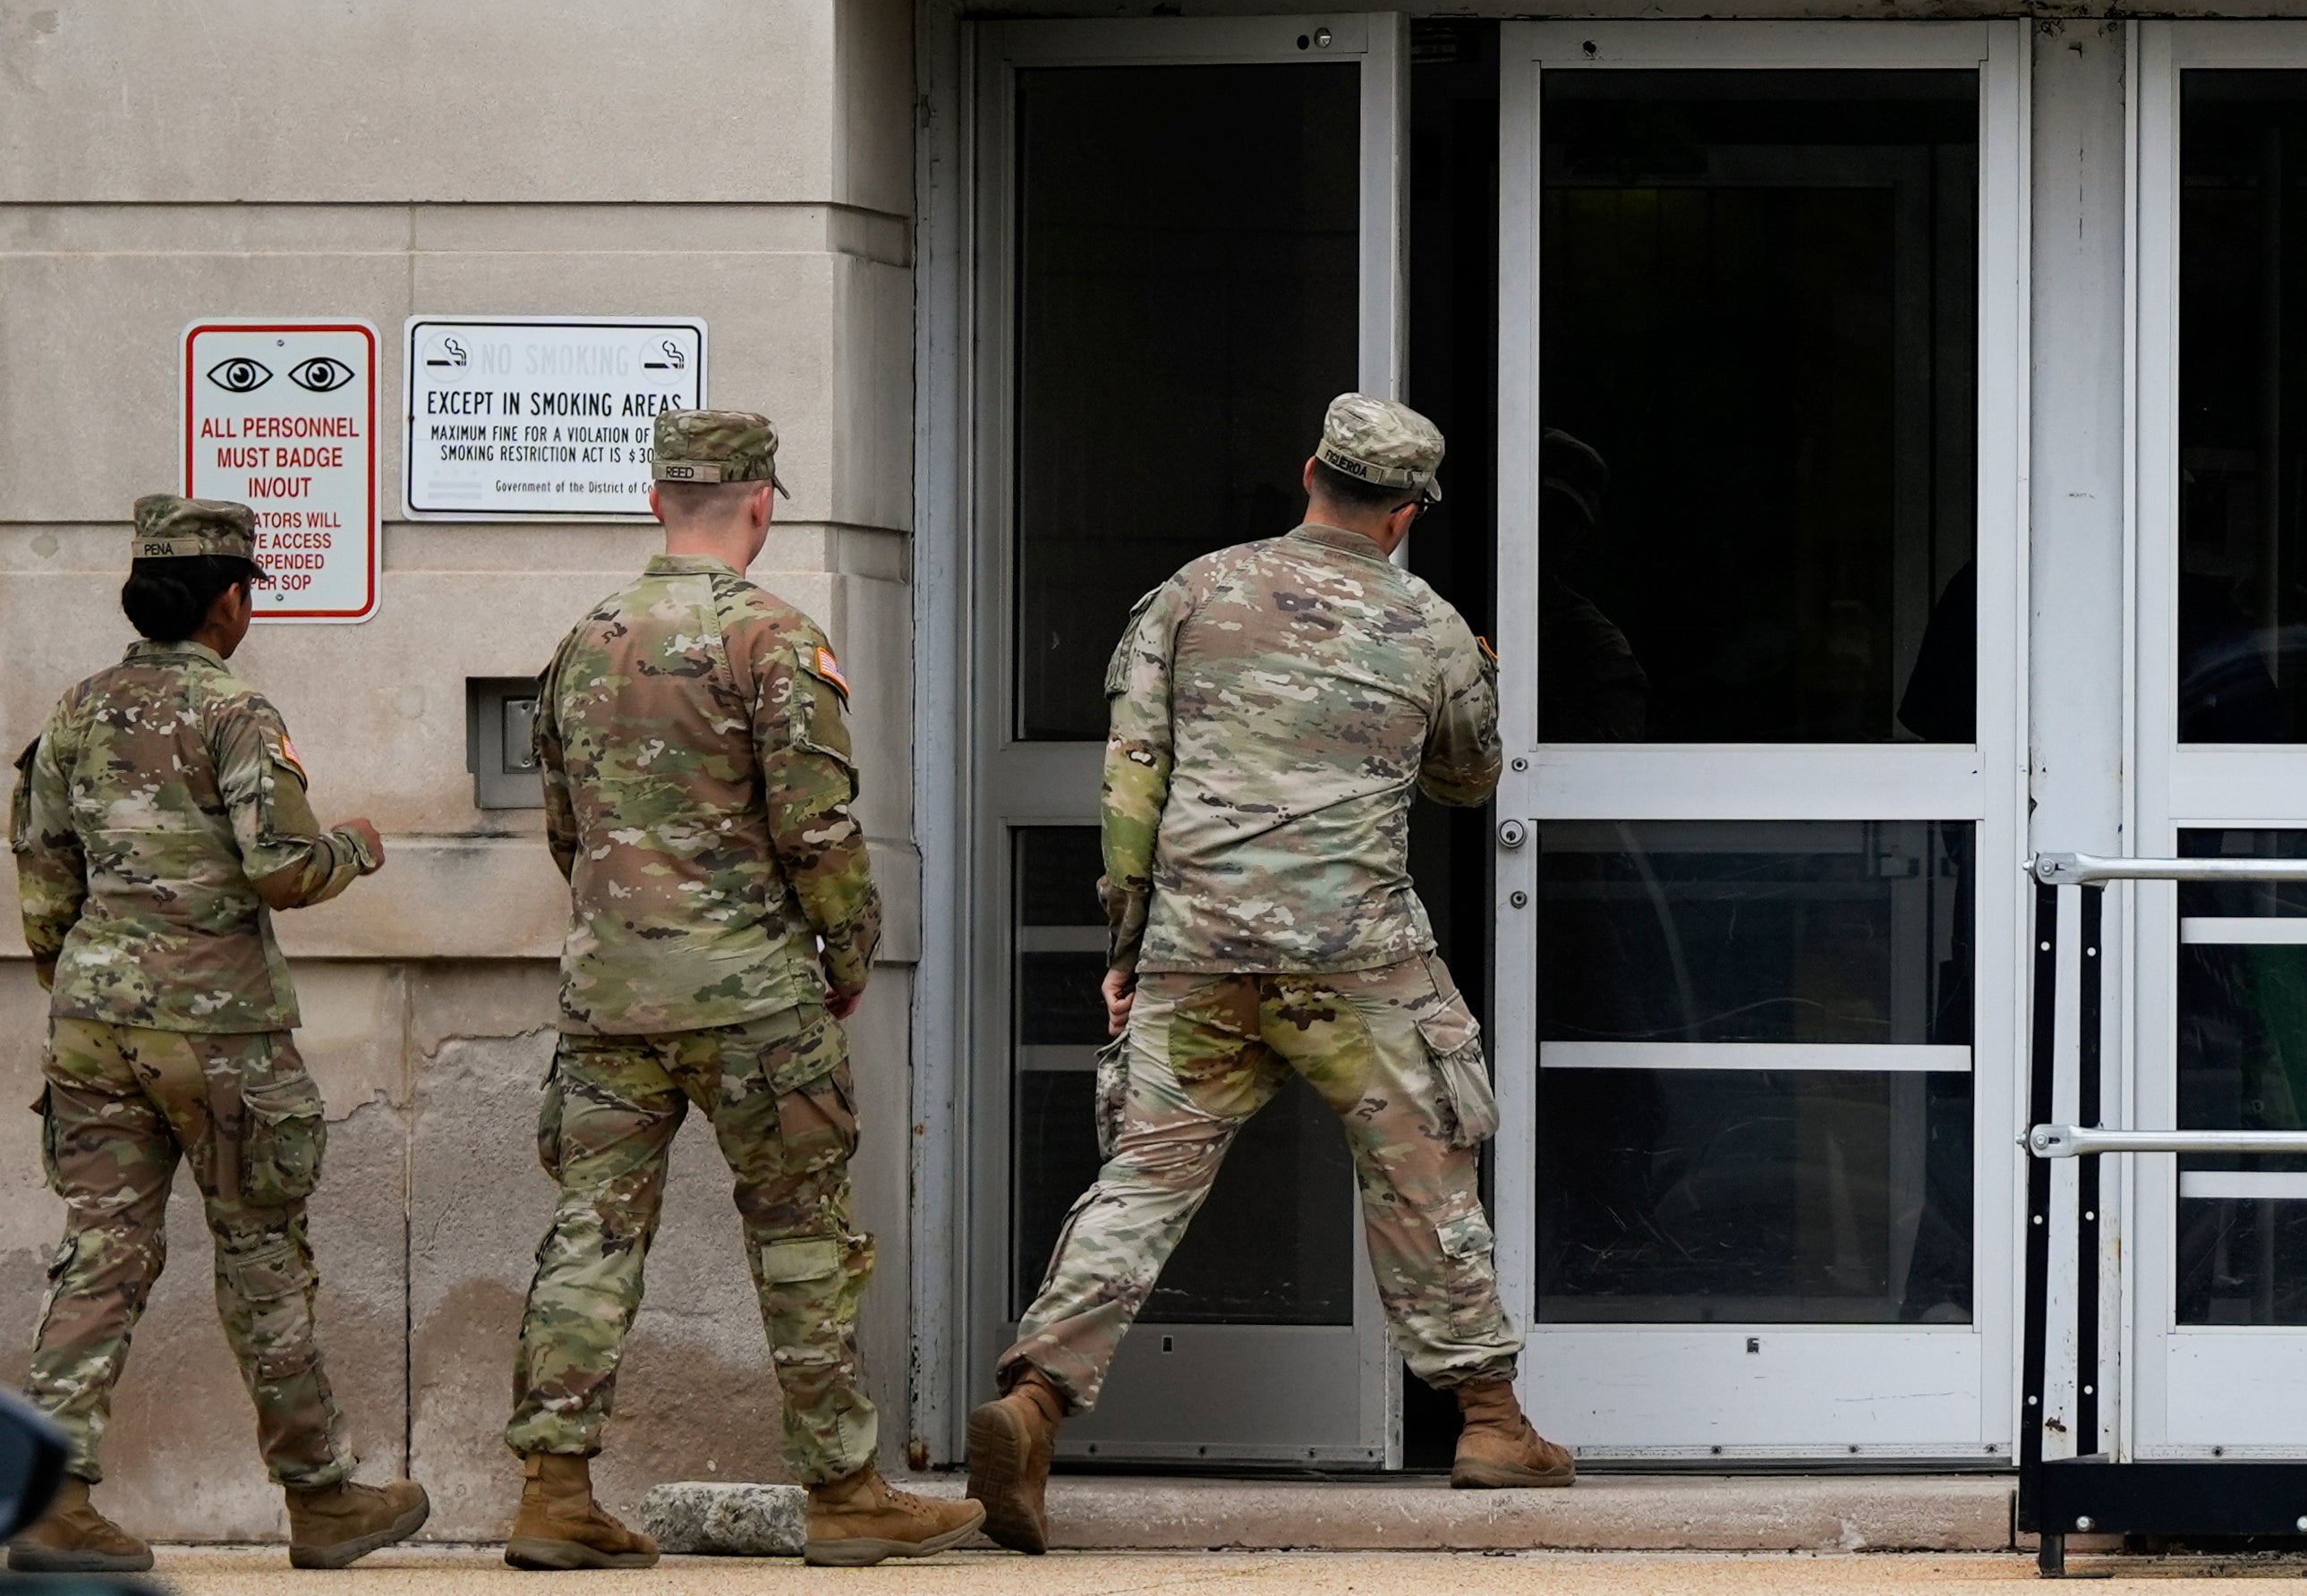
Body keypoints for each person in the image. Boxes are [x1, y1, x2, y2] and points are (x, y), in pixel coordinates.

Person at [966, 392, 1572, 1556]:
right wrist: (1471, 681)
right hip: (1358, 955)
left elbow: (1131, 780)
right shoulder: (1428, 623)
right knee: (1424, 1170)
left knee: (1145, 1179)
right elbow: (1467, 778)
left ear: (1309, 475)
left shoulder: (1189, 597)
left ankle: (1035, 1403)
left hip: (1201, 951)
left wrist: (1127, 949)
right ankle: (1491, 1421)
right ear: (1402, 516)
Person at [501, 409, 982, 1570]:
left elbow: (565, 831)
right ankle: (844, 1491)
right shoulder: (772, 638)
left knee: (591, 1236)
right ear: (763, 504)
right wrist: (849, 958)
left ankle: (554, 1491)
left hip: (611, 999)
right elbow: (820, 831)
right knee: (803, 1235)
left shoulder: (582, 640)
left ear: (656, 501)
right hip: (757, 999)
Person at [6, 495, 428, 1571]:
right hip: (220, 1032)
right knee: (260, 1256)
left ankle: (50, 1499)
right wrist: (358, 846)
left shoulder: (75, 709)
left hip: (96, 1024)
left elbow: (43, 868)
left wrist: (80, 978)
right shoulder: (236, 710)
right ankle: (321, 1499)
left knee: (101, 1251)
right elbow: (281, 868)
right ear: (229, 601)